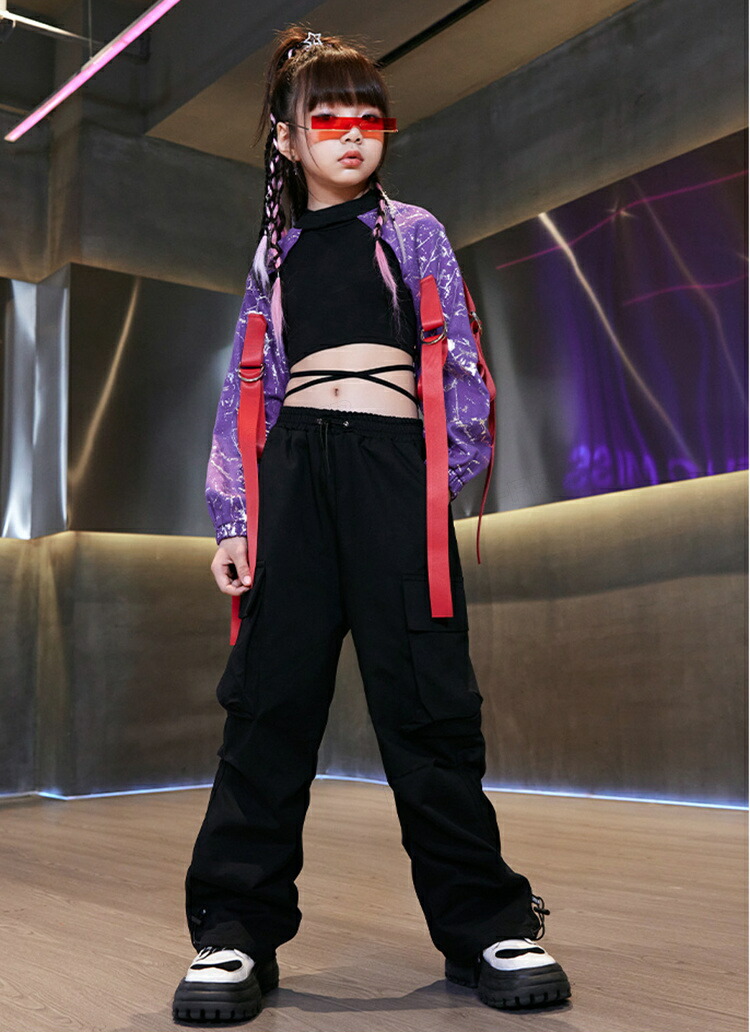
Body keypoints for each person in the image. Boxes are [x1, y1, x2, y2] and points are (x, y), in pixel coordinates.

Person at [172, 25, 571, 1024]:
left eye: (368, 118)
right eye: (327, 120)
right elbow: (246, 391)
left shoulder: (415, 230)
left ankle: (486, 924)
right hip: (296, 478)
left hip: (397, 477)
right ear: (285, 138)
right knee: (269, 704)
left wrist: (434, 484)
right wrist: (234, 518)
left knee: (430, 705)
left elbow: (462, 363)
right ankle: (234, 929)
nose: (352, 135)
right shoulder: (274, 252)